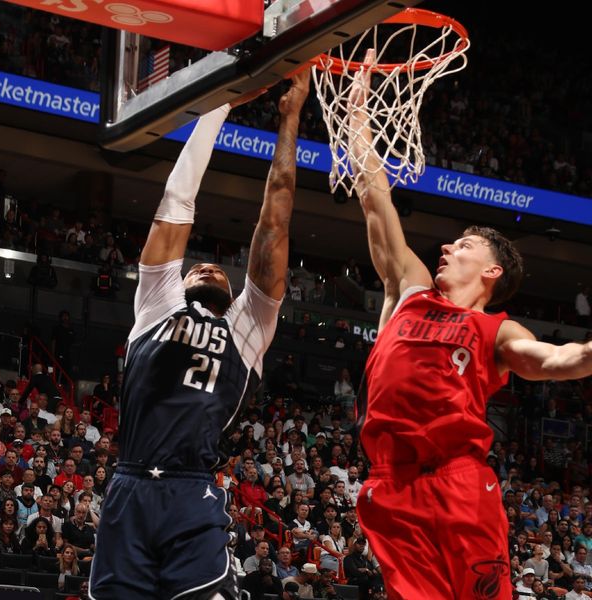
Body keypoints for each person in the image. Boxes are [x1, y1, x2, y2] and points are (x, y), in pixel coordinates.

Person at [344, 48, 592, 600]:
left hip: (459, 482)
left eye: (466, 244)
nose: (449, 246)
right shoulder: (408, 290)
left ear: (492, 270)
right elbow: (374, 202)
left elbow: (557, 361)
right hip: (389, 487)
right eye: (453, 241)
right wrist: (357, 117)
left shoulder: (499, 330)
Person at [89, 73, 310, 600]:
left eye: (218, 269)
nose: (207, 264)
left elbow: (274, 223)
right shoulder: (156, 303)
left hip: (192, 491)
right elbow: (176, 201)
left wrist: (290, 119)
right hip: (131, 484)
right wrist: (219, 104)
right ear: (181, 282)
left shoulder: (249, 325)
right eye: (196, 266)